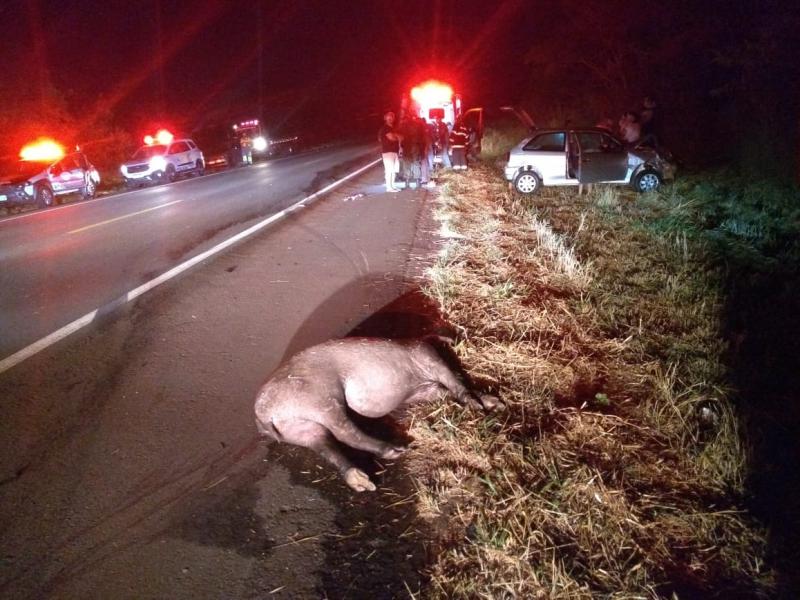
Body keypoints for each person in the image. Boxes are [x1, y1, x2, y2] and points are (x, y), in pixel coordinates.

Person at [378, 111, 402, 192]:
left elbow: (400, 137)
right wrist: (397, 137)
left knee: (394, 170)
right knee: (389, 170)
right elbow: (392, 137)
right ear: (385, 118)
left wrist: (396, 136)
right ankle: (389, 187)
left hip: (394, 151)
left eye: (392, 116)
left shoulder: (392, 128)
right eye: (389, 116)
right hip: (387, 152)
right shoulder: (385, 128)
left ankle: (393, 186)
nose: (390, 118)